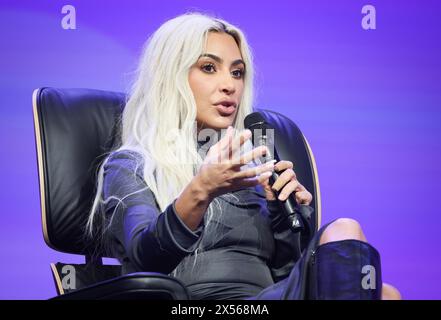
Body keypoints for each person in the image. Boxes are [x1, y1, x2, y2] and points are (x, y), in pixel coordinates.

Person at [85, 12, 401, 300]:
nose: (229, 86)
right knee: (347, 236)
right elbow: (146, 259)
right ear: (172, 75)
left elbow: (285, 272)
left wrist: (283, 215)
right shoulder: (132, 165)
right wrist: (200, 190)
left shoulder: (256, 159)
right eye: (209, 68)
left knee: (386, 294)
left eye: (237, 73)